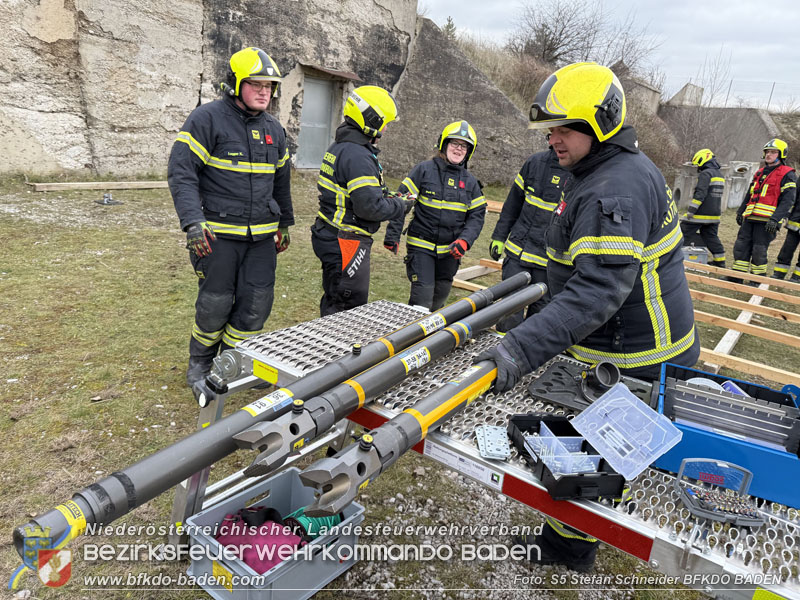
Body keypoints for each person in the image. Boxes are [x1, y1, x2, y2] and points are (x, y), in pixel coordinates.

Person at [475, 62, 700, 572]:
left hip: (639, 358)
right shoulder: (604, 170)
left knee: (594, 456)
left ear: (601, 123)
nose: (553, 139)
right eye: (549, 129)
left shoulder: (611, 190)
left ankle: (567, 550)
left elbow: (596, 295)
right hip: (624, 347)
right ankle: (566, 544)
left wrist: (517, 348)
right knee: (587, 450)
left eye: (564, 128)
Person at [168, 47, 293, 394]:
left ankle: (235, 360)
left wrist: (284, 224)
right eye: (256, 84)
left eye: (270, 85)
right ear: (235, 83)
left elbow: (281, 181)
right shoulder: (206, 119)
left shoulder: (275, 130)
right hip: (217, 236)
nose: (264, 91)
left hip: (261, 238)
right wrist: (192, 222)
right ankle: (201, 363)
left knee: (256, 303)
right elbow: (182, 173)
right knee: (215, 303)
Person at [311, 85, 413, 316]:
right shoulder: (358, 155)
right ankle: (337, 351)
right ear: (371, 119)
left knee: (334, 297)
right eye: (384, 122)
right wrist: (401, 205)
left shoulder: (341, 146)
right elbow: (370, 208)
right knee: (346, 308)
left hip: (330, 234)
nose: (386, 128)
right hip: (347, 240)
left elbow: (361, 193)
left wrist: (387, 195)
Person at [383, 121, 486, 310]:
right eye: (454, 143)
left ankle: (434, 339)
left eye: (463, 146)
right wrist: (392, 235)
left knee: (439, 301)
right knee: (421, 301)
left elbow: (477, 216)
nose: (458, 149)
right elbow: (401, 202)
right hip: (421, 246)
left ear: (468, 151)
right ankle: (412, 339)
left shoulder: (471, 183)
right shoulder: (423, 170)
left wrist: (464, 241)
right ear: (444, 144)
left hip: (450, 251)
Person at [489, 144, 569, 331]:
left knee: (539, 320)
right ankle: (500, 355)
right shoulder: (535, 162)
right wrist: (499, 236)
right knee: (509, 312)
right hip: (519, 253)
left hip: (550, 263)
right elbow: (512, 204)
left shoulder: (579, 172)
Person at [731, 139, 797, 282]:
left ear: (781, 155)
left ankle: (757, 279)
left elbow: (788, 200)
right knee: (741, 245)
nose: (769, 155)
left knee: (758, 250)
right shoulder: (760, 172)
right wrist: (741, 211)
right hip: (751, 216)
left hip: (767, 220)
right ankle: (737, 276)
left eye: (773, 152)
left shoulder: (788, 174)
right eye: (767, 152)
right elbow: (750, 193)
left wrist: (775, 219)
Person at [680, 148, 726, 268]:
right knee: (711, 237)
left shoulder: (706, 174)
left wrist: (691, 212)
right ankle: (720, 261)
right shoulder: (719, 174)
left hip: (700, 214)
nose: (697, 168)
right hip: (714, 215)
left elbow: (700, 193)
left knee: (682, 232)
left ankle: (671, 257)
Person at [772, 146, 800, 281]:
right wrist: (787, 215)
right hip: (796, 221)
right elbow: (793, 197)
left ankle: (797, 277)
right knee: (786, 250)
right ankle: (779, 274)